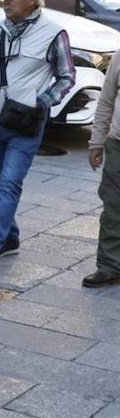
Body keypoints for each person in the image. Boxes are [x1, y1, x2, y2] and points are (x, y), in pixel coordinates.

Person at [0, 0, 74, 271]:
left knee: (10, 184)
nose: (5, 2)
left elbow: (67, 77)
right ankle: (10, 237)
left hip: (24, 124)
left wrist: (41, 103)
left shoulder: (54, 33)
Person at [85, 48, 120, 287]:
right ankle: (110, 266)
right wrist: (96, 141)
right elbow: (106, 100)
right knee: (113, 205)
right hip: (118, 144)